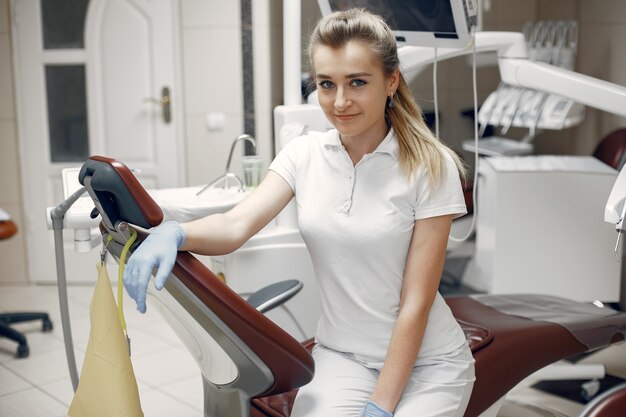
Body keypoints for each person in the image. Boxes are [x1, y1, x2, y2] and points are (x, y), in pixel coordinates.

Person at [124, 8, 474, 417]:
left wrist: (381, 405)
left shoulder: (430, 166)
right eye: (327, 84)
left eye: (357, 83)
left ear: (391, 81)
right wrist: (175, 232)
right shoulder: (304, 154)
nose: (340, 101)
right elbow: (237, 224)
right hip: (344, 356)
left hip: (430, 364)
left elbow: (416, 302)